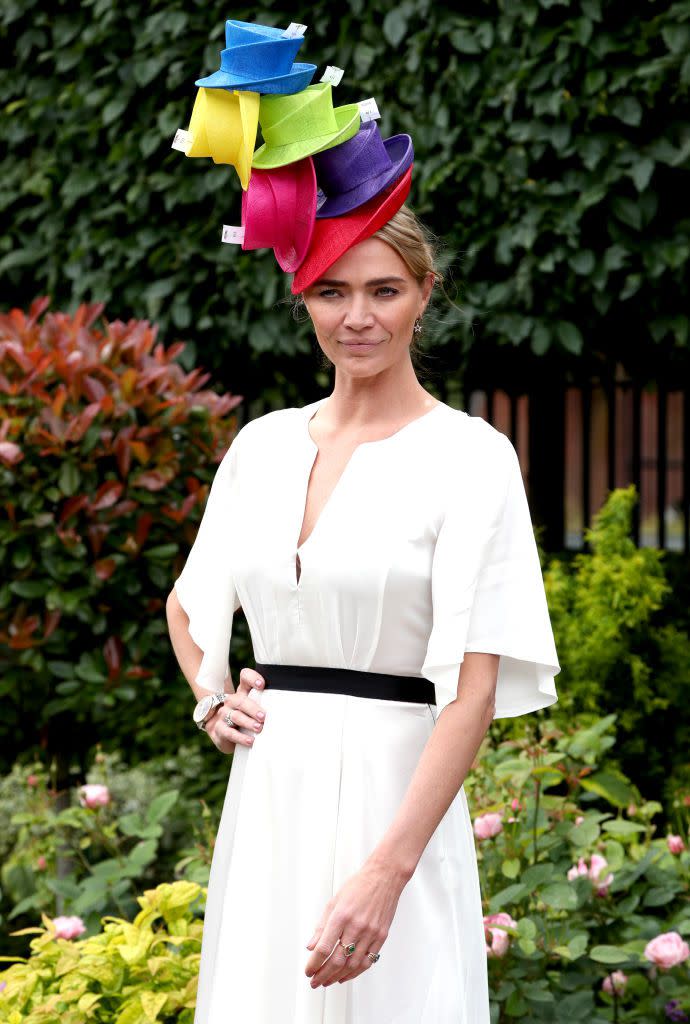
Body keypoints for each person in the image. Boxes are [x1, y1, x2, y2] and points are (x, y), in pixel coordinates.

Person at [165, 203, 561, 1023]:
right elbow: (191, 605)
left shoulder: (471, 459)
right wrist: (211, 702)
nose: (356, 317)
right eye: (330, 292)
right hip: (270, 795)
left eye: (383, 290)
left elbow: (473, 693)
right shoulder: (262, 447)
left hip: (398, 800)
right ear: (301, 297)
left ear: (424, 292)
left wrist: (388, 873)